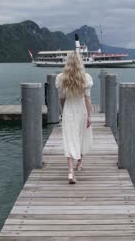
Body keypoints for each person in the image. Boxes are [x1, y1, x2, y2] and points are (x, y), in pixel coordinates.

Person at [55, 51, 93, 184]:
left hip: (69, 111)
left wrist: (63, 112)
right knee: (82, 135)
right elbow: (87, 99)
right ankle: (80, 163)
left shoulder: (61, 78)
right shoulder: (85, 78)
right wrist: (89, 116)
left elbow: (61, 99)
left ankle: (71, 171)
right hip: (81, 110)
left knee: (70, 139)